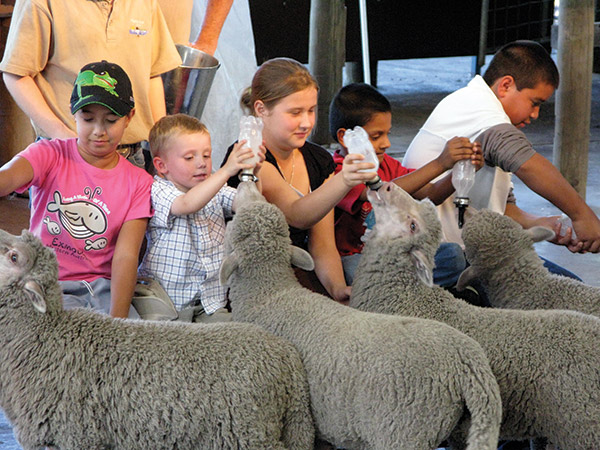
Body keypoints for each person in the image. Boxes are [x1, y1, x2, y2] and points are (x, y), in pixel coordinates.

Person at [403, 40, 600, 276]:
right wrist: (582, 215)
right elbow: (527, 164)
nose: (535, 114)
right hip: (438, 257)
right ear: (505, 85)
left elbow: (503, 209)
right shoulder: (478, 108)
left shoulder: (493, 120)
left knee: (570, 288)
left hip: (472, 249)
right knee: (562, 299)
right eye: (534, 103)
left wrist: (546, 225)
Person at [0, 61, 153, 318]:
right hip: (43, 280)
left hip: (102, 289)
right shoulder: (49, 154)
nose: (99, 131)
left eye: (111, 120)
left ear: (129, 118)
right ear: (73, 112)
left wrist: (118, 322)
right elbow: (6, 178)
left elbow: (126, 256)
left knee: (128, 347)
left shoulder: (139, 182)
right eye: (88, 118)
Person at [223, 57, 377, 302]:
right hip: (259, 280)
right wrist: (346, 180)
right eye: (295, 112)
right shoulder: (251, 158)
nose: (306, 122)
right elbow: (297, 214)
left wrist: (338, 290)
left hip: (306, 270)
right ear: (262, 110)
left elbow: (323, 244)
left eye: (311, 110)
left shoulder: (318, 159)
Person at [329, 83, 483, 286]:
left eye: (387, 134)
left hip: (397, 253)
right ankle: (405, 289)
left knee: (452, 256)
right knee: (355, 274)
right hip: (357, 255)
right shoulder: (338, 171)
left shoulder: (387, 165)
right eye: (376, 136)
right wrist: (440, 163)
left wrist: (460, 172)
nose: (386, 144)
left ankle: (403, 289)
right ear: (345, 137)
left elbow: (432, 194)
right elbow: (379, 193)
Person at [0, 0, 181, 165]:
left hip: (131, 154)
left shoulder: (146, 3)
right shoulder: (41, 3)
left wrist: (163, 141)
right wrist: (61, 134)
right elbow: (16, 74)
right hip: (66, 152)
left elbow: (152, 74)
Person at [138, 113, 263, 322]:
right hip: (167, 303)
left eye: (206, 155)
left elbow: (249, 204)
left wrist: (252, 173)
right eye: (190, 157)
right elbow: (187, 204)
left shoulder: (215, 187)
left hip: (210, 301)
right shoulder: (159, 190)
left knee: (232, 339)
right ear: (161, 166)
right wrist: (226, 170)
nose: (201, 164)